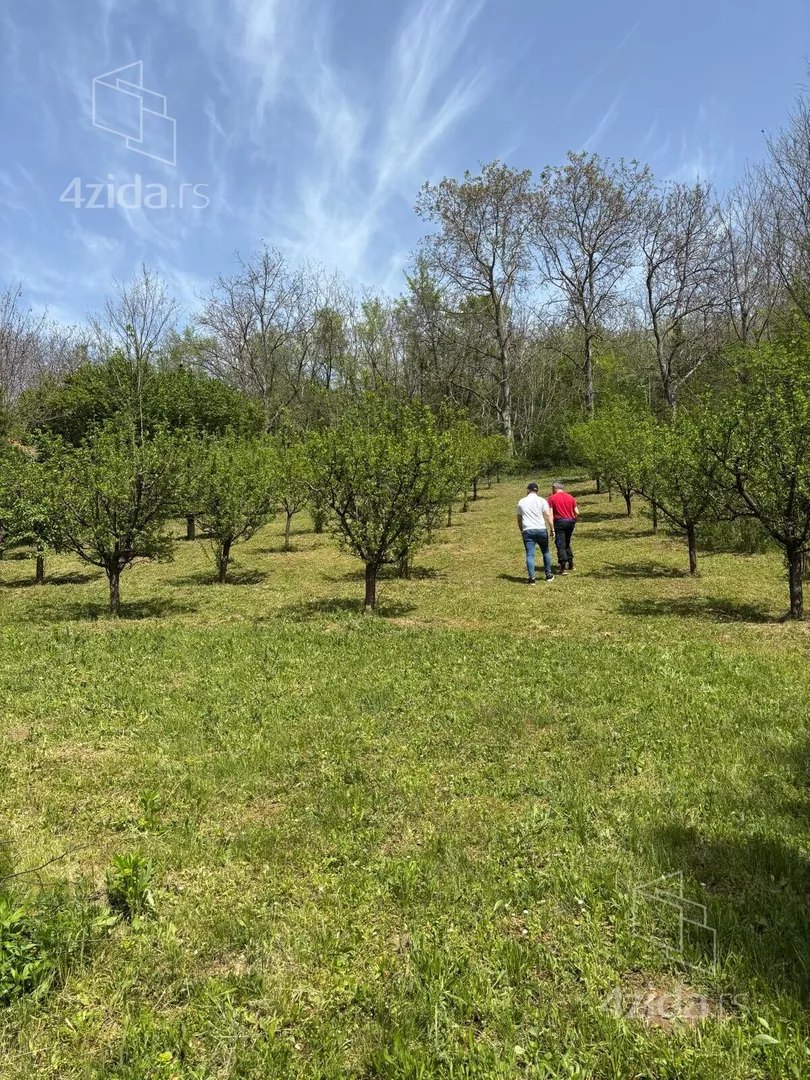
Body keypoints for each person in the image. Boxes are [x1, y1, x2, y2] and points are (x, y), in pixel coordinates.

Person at [516, 482, 555, 583]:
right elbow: (548, 515)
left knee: (530, 555)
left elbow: (519, 519)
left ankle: (532, 578)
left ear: (528, 490)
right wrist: (552, 529)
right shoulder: (542, 500)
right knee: (545, 551)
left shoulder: (521, 501)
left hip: (528, 530)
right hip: (541, 529)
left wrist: (522, 531)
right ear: (537, 491)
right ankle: (548, 575)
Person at [547, 481, 579, 574]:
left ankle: (563, 567)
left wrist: (552, 528)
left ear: (554, 488)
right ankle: (571, 564)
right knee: (567, 542)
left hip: (560, 522)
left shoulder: (552, 498)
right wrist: (574, 521)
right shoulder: (570, 497)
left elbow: (550, 514)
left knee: (560, 544)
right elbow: (577, 512)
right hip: (570, 522)